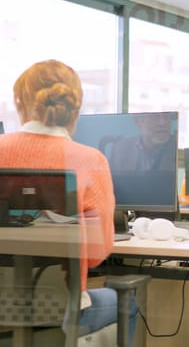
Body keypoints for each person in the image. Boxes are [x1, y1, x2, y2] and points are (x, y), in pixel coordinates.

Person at [0, 60, 138, 343]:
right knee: (129, 302)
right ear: (74, 109)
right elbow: (96, 253)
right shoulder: (90, 160)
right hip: (64, 309)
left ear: (20, 104)